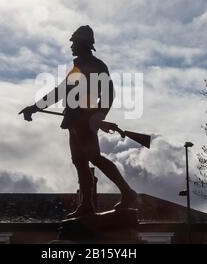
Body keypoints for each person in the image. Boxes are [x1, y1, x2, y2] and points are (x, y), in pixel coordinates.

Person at [20, 25, 137, 218]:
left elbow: (108, 94)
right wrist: (35, 107)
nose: (71, 47)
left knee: (94, 157)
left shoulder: (96, 66)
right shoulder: (78, 67)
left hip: (85, 121)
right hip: (74, 121)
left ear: (83, 44)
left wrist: (98, 117)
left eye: (74, 43)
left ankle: (128, 193)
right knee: (80, 162)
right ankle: (87, 205)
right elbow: (61, 91)